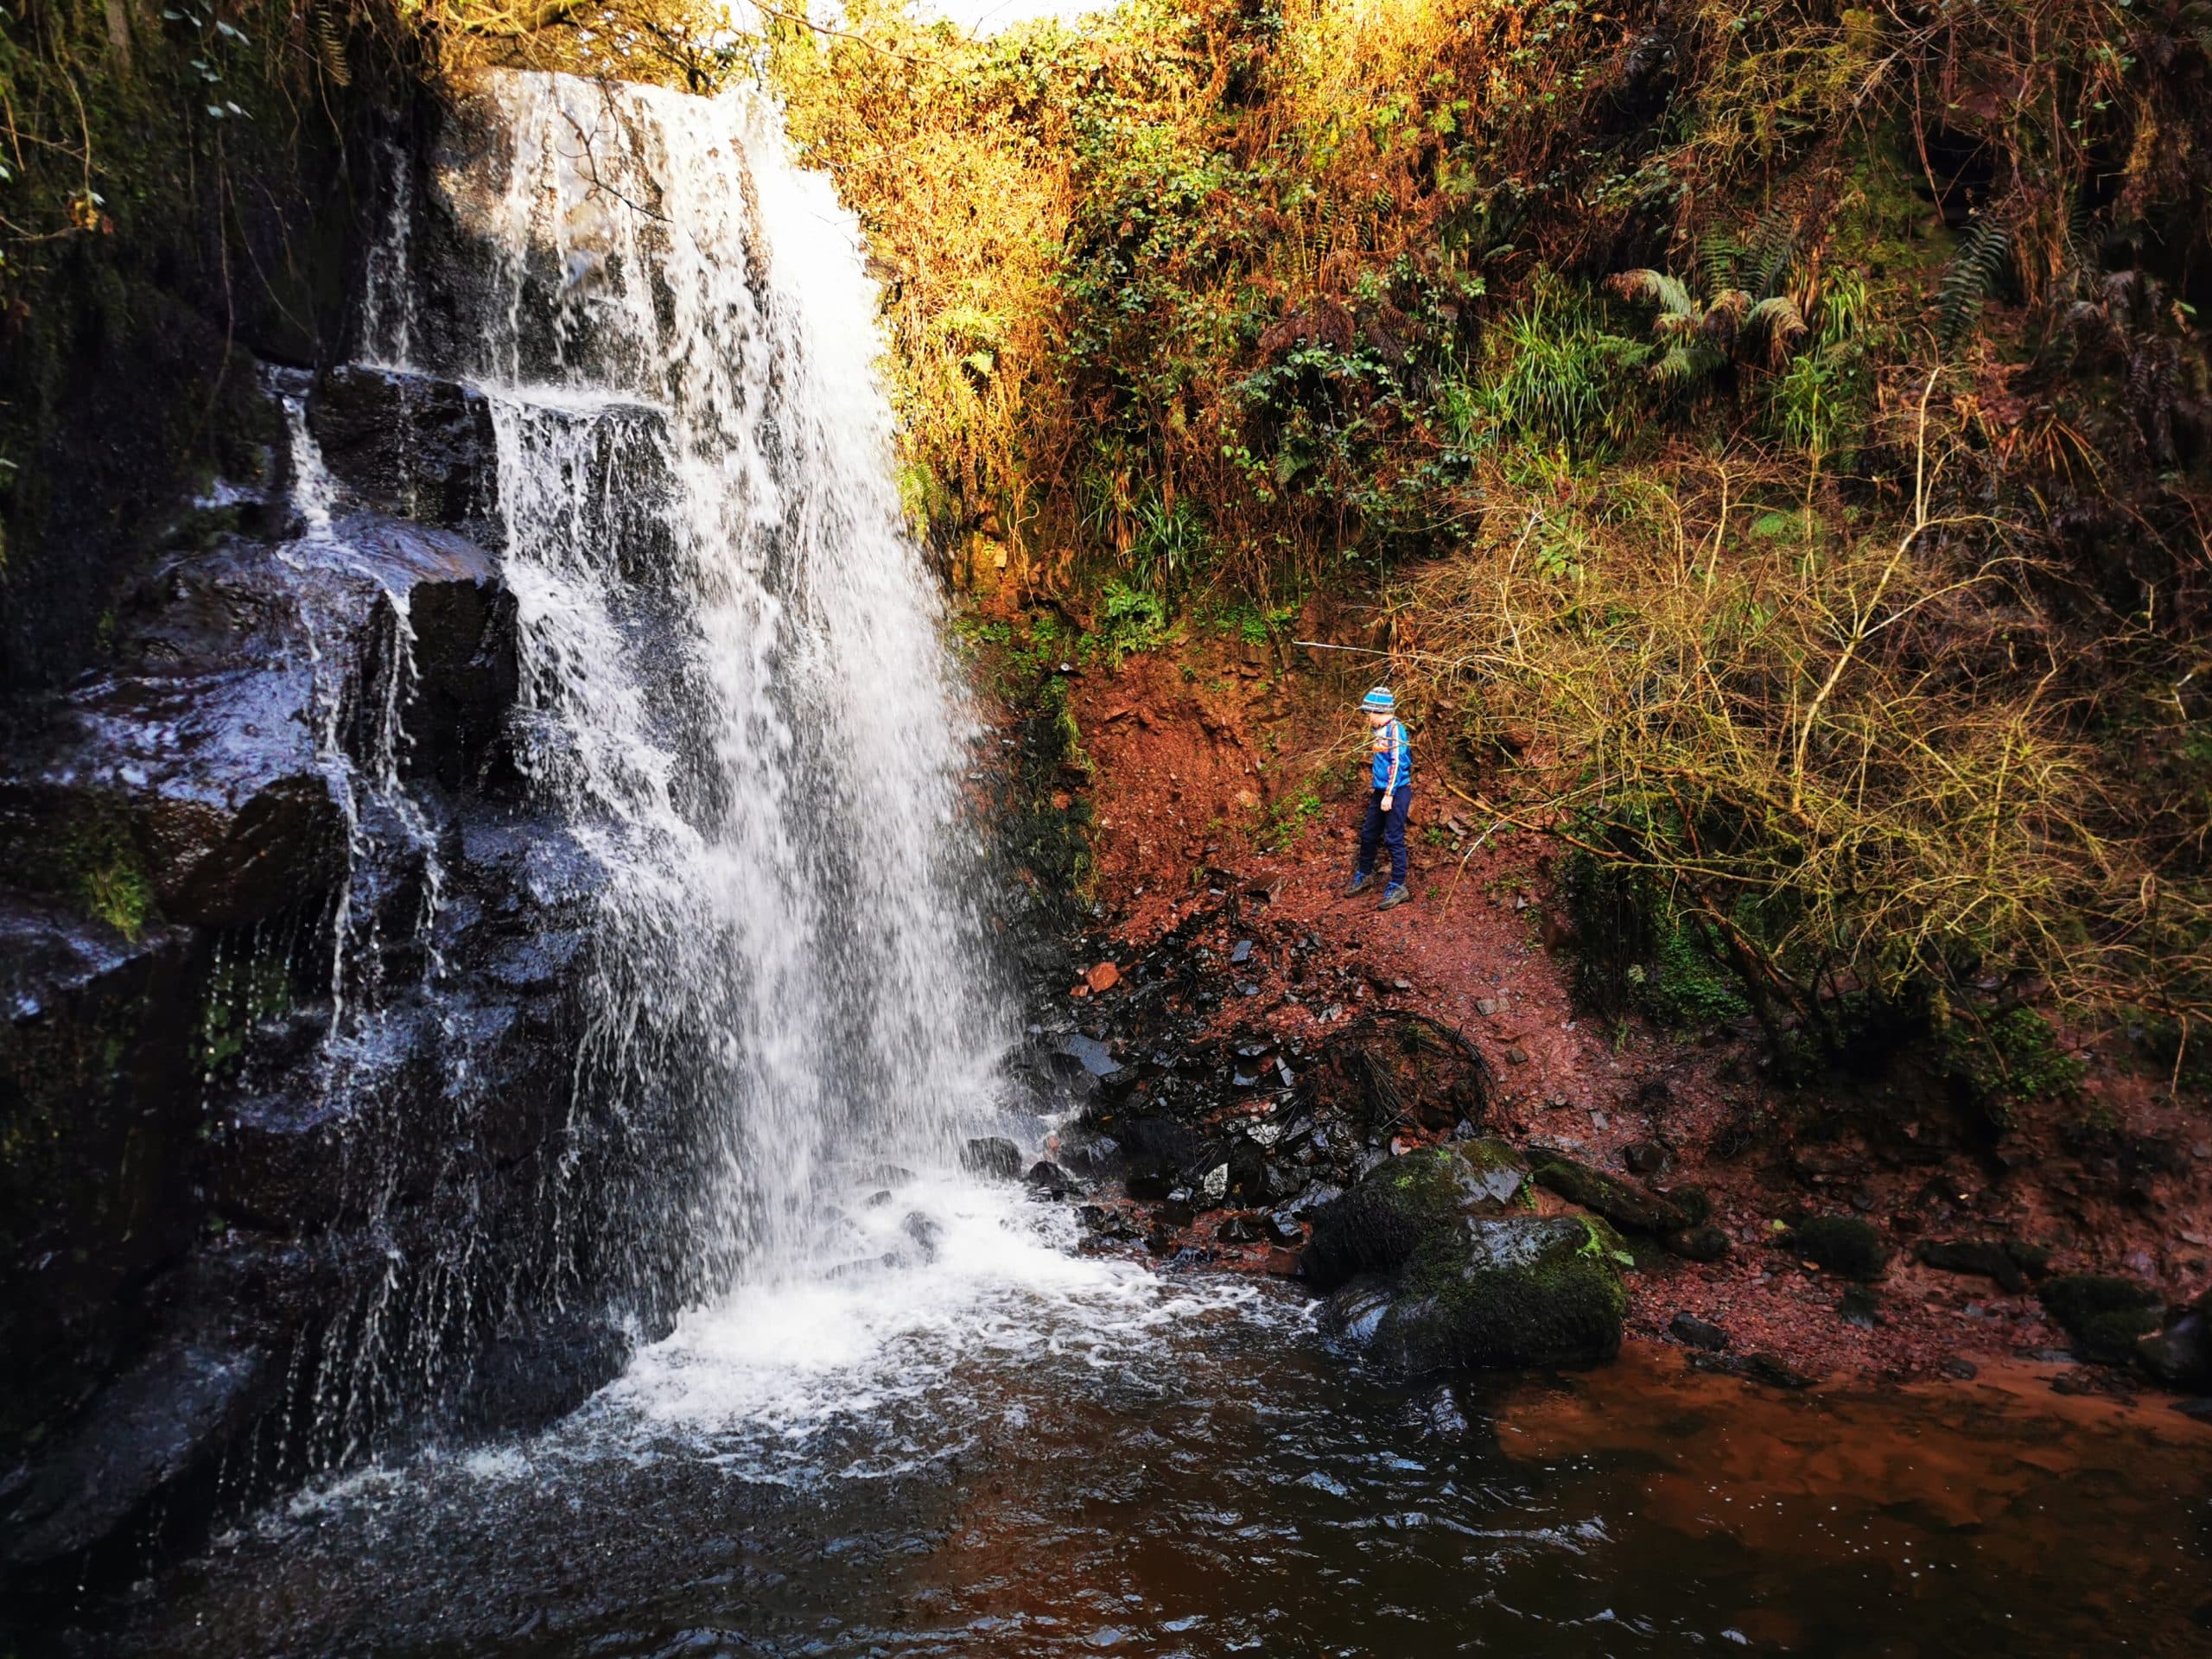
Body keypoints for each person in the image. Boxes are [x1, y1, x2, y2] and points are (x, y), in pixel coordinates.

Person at [1344, 686, 1412, 911]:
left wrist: (1389, 794)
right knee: (1369, 833)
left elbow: (1398, 763)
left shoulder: (1395, 730)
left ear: (1377, 711)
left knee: (1393, 837)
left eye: (1368, 714)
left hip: (1397, 791)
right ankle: (1365, 874)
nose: (1367, 719)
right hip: (1381, 791)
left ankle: (1399, 886)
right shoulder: (1380, 731)